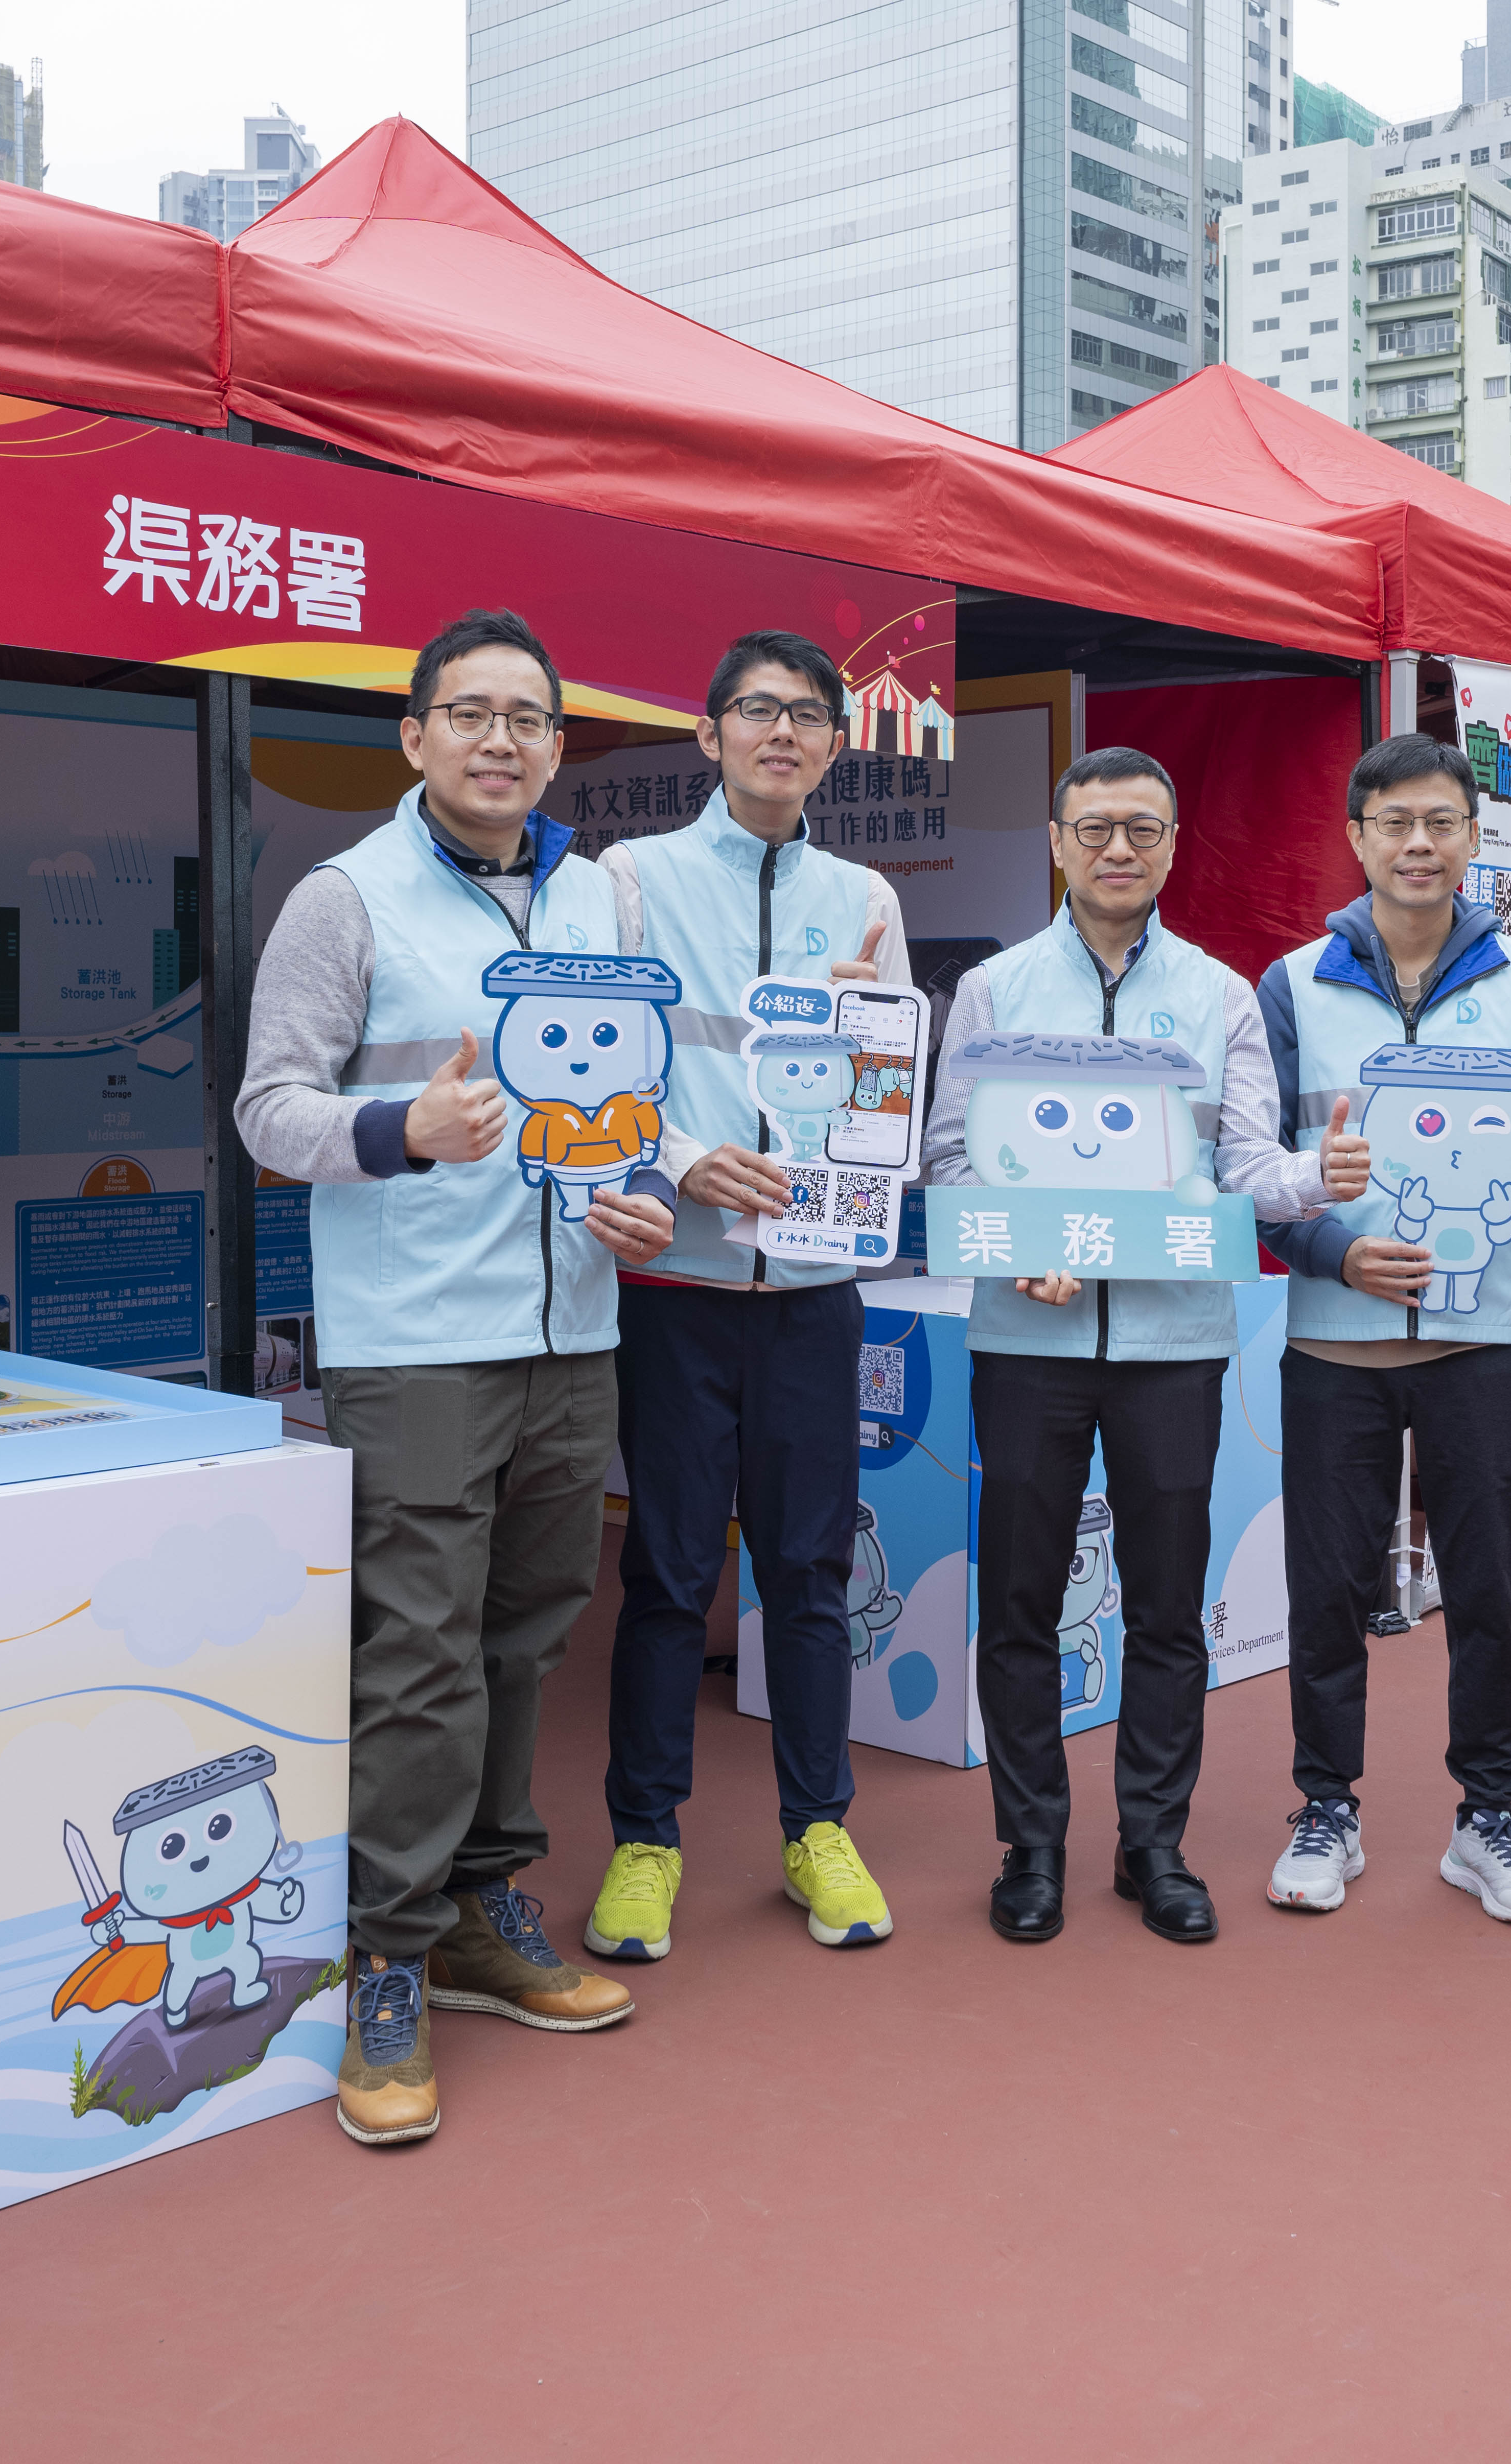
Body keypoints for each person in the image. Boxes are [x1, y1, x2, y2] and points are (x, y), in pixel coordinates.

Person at [236, 609, 673, 2146]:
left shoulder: (601, 896)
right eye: (469, 713)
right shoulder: (344, 897)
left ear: (557, 746)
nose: (500, 740)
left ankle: (484, 1910)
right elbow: (266, 1108)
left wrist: (648, 1190)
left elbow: (634, 1094)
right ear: (413, 734)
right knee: (416, 1652)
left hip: (572, 1330)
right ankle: (388, 1956)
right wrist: (396, 1132)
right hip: (415, 1337)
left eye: (527, 718)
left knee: (525, 1632)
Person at [925, 748, 1345, 1945]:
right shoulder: (996, 989)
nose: (1119, 848)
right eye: (1096, 827)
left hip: (1174, 1342)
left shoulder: (1218, 995)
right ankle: (1030, 1847)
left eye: (1143, 829)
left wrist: (1321, 1175)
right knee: (1019, 1598)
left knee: (1166, 1607)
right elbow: (951, 1158)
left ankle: (1152, 1846)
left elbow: (1244, 1165)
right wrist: (1021, 1247)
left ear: (1170, 845)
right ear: (1056, 843)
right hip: (1027, 1338)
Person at [1255, 736, 1511, 1927]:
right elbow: (1254, 1171)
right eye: (1393, 822)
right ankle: (1324, 1807)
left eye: (1438, 821)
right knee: (1328, 1590)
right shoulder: (1289, 983)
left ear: (1471, 837)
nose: (1417, 843)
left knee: (1489, 1592)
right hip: (1334, 1343)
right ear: (1355, 836)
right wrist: (1333, 1250)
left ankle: (1487, 1816)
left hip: (1484, 1344)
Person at [584, 631, 908, 1964]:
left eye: (809, 713)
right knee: (665, 1572)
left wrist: (863, 1088)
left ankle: (817, 1827)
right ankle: (644, 1840)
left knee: (809, 1571)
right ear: (708, 733)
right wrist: (675, 1157)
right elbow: (591, 1060)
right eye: (758, 709)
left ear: (834, 744)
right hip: (676, 1281)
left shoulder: (863, 895)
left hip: (814, 1291)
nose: (784, 731)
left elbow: (884, 1098)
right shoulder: (631, 878)